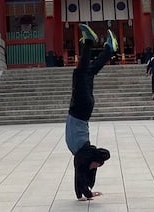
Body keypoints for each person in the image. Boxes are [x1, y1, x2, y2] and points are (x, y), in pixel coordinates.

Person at [66, 23, 115, 201]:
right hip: (79, 109)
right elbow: (80, 174)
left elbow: (79, 175)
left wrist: (83, 194)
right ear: (95, 158)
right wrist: (86, 193)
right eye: (98, 164)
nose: (96, 167)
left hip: (82, 109)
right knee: (79, 75)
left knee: (88, 73)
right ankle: (88, 41)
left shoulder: (83, 158)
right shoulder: (84, 154)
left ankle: (109, 49)